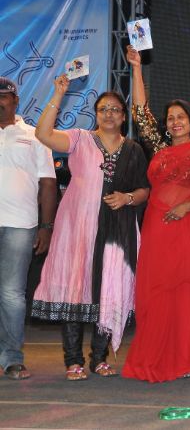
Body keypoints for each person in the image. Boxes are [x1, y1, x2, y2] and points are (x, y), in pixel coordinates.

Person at [32, 76, 150, 381]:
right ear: (96, 114)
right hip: (78, 228)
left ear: (123, 117)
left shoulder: (134, 149)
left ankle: (99, 358)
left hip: (117, 233)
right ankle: (73, 360)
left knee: (109, 289)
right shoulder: (79, 139)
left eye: (114, 109)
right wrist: (58, 93)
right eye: (103, 109)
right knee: (76, 287)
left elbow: (144, 190)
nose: (109, 114)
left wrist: (127, 198)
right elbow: (43, 133)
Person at [121, 47, 190, 382]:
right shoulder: (160, 149)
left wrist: (188, 206)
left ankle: (182, 360)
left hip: (188, 231)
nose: (175, 121)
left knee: (183, 293)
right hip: (157, 231)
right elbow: (141, 114)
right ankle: (153, 355)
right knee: (154, 292)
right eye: (170, 118)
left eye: (181, 116)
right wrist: (137, 68)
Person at [0, 77, 56, 380]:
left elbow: (48, 183)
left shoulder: (35, 135)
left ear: (15, 101)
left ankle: (11, 358)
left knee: (11, 293)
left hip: (20, 225)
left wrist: (46, 226)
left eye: (4, 96)